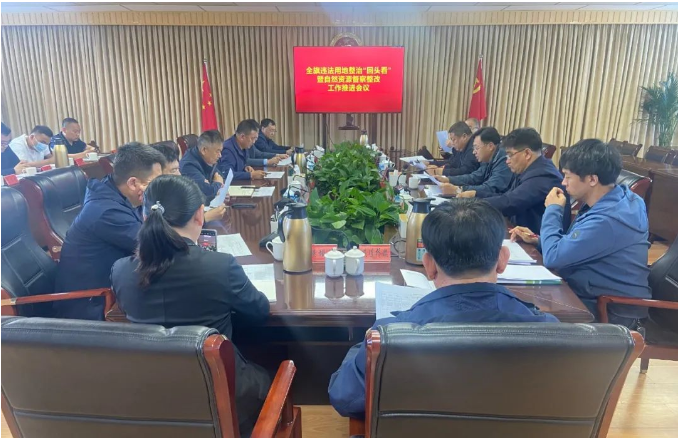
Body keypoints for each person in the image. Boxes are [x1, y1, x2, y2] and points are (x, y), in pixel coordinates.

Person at [328, 199, 558, 419]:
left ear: (429, 265)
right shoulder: (552, 333)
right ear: (502, 259)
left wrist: (366, 341)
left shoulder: (388, 336)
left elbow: (343, 397)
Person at [111, 175, 271, 436]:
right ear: (200, 215)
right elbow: (260, 311)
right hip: (220, 395)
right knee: (267, 374)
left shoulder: (120, 271)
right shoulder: (220, 266)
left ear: (145, 216)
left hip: (149, 397)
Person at [510, 139, 651, 326]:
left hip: (610, 310)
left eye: (568, 176)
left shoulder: (608, 219)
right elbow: (581, 244)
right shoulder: (620, 198)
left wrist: (553, 209)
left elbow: (553, 258)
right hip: (591, 293)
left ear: (592, 179)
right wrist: (538, 240)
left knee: (521, 313)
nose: (563, 182)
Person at [53, 143, 166, 320]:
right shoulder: (106, 212)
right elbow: (156, 246)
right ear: (133, 183)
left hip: (111, 291)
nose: (157, 189)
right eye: (154, 183)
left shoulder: (115, 192)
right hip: (91, 307)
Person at [483, 128, 570, 232]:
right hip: (522, 232)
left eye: (510, 155)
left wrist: (473, 204)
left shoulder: (544, 175)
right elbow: (506, 196)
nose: (507, 161)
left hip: (538, 239)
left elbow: (510, 203)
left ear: (527, 153)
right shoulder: (531, 169)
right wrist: (475, 195)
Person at [437, 126, 512, 198]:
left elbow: (490, 188)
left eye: (476, 148)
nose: (473, 152)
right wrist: (448, 179)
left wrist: (459, 189)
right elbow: (475, 177)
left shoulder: (504, 159)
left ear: (490, 146)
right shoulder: (487, 158)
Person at [170, 132, 227, 223]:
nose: (220, 155)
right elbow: (207, 193)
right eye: (217, 151)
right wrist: (218, 183)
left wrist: (218, 188)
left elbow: (219, 175)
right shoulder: (189, 165)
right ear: (204, 150)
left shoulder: (207, 158)